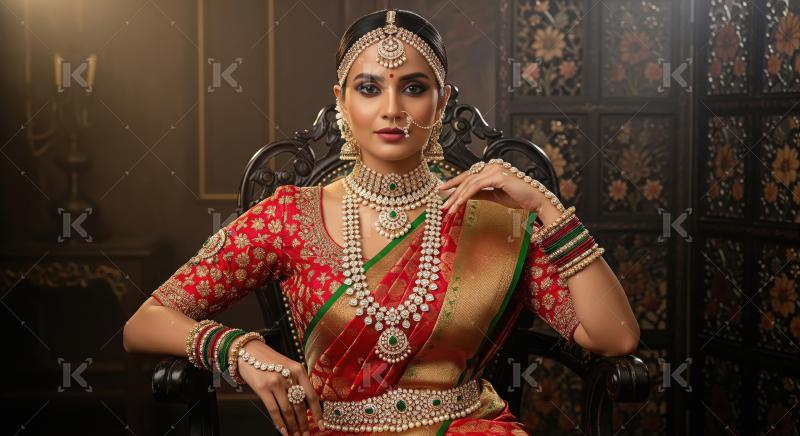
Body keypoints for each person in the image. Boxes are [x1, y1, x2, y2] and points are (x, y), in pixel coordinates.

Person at [123, 8, 640, 436]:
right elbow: (144, 323)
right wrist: (242, 350)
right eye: (369, 88)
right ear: (341, 102)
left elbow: (613, 338)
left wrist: (547, 207)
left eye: (414, 87)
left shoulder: (498, 220)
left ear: (441, 101)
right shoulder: (290, 216)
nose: (392, 108)